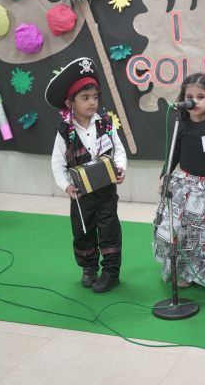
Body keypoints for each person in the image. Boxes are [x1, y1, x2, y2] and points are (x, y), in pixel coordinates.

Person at [46, 57, 127, 293]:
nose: (92, 102)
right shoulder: (64, 132)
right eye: (85, 98)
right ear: (70, 103)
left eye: (95, 97)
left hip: (106, 192)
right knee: (83, 231)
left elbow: (119, 151)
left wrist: (120, 168)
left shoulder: (106, 124)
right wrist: (66, 186)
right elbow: (57, 164)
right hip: (81, 196)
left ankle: (111, 273)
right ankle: (89, 268)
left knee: (110, 231)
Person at [153, 73, 205, 289]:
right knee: (184, 232)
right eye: (189, 97)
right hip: (187, 186)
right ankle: (185, 271)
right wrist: (164, 175)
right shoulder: (180, 125)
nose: (195, 101)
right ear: (183, 99)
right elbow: (173, 155)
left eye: (200, 97)